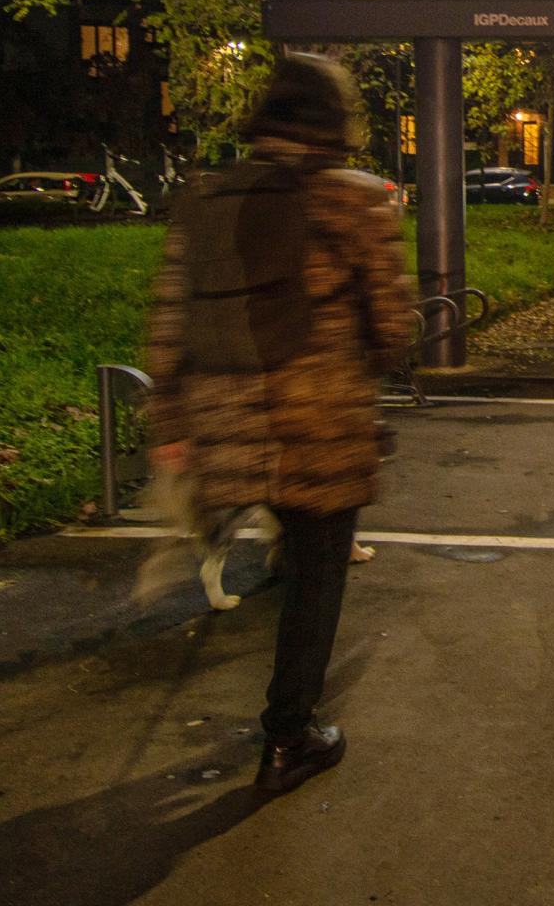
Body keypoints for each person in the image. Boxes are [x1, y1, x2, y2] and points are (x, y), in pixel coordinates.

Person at [146, 53, 414, 794]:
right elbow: (393, 329)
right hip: (319, 422)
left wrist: (169, 417)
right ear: (336, 121)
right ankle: (289, 735)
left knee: (286, 549)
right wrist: (385, 346)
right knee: (317, 572)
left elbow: (171, 317)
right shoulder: (353, 201)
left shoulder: (206, 197)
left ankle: (288, 718)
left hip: (226, 419)